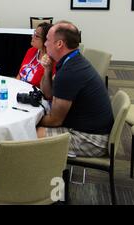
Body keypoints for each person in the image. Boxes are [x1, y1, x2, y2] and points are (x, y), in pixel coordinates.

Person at [37, 21, 113, 157]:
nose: (45, 44)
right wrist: (47, 70)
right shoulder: (71, 60)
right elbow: (48, 94)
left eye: (47, 40)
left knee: (29, 135)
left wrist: (30, 120)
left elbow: (55, 120)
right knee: (34, 126)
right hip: (87, 128)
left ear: (59, 44)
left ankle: (41, 174)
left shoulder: (70, 72)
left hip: (92, 139)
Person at [16, 22, 55, 88]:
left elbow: (48, 90)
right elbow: (20, 75)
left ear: (46, 40)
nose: (32, 36)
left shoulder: (51, 60)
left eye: (36, 36)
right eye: (34, 33)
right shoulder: (31, 51)